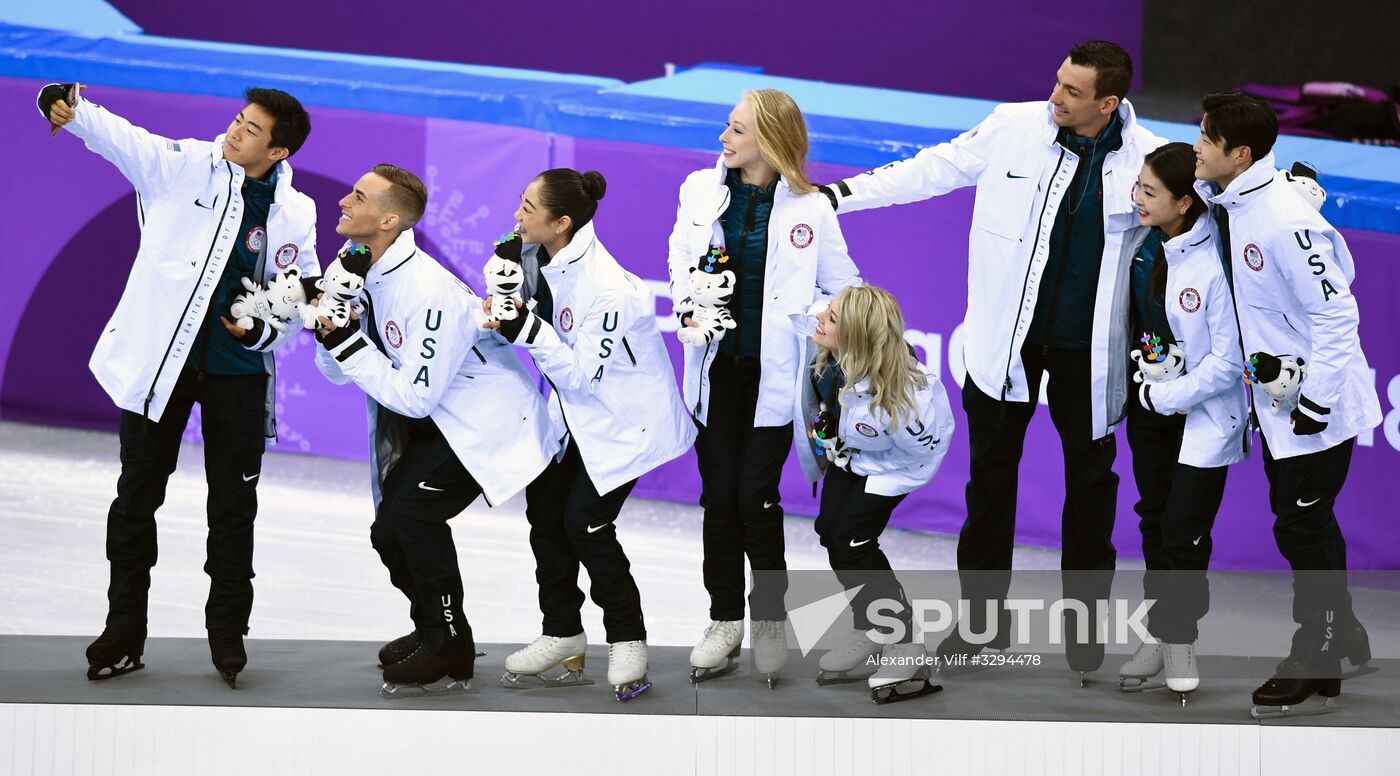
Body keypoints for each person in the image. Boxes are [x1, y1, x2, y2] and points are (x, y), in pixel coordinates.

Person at [818, 41, 1166, 677]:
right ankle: (983, 621)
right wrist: (837, 196)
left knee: (1090, 487)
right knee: (990, 484)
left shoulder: (1150, 160)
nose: (1055, 97)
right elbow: (932, 169)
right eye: (1058, 83)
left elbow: (1206, 215)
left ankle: (1085, 626)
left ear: (1108, 103)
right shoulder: (1012, 127)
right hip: (1003, 346)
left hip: (1091, 354)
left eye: (1072, 92)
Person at [40, 82, 317, 688]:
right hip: (159, 368)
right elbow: (124, 141)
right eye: (238, 119)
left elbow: (301, 291)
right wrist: (72, 107)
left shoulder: (296, 212)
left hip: (237, 375)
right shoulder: (185, 165)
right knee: (137, 496)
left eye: (252, 130)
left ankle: (226, 634)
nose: (236, 131)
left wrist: (262, 329)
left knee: (233, 508)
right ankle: (124, 630)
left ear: (279, 152)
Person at [314, 164, 559, 696]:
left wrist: (345, 343)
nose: (344, 203)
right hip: (445, 417)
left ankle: (448, 646)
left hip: (487, 419)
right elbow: (334, 370)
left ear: (389, 220)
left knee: (413, 515)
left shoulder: (423, 290)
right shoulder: (357, 269)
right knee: (388, 529)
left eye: (358, 196)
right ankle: (437, 630)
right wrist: (333, 328)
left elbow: (413, 397)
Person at [666, 88, 862, 686]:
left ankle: (769, 620)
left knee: (757, 500)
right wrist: (687, 305)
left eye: (736, 130)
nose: (724, 139)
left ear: (771, 141)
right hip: (714, 375)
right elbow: (679, 257)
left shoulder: (811, 207)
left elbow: (845, 285)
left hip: (773, 383)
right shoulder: (700, 190)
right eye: (726, 127)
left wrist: (811, 319)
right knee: (718, 500)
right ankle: (724, 621)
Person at [1193, 93, 1380, 718]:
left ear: (1239, 154)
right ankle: (1346, 636)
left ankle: (1317, 655)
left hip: (1313, 408)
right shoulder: (1244, 198)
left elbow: (1336, 313)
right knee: (1303, 520)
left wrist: (1318, 406)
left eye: (1206, 137)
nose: (1196, 145)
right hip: (1278, 402)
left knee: (1302, 525)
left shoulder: (1281, 220)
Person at [486, 168, 695, 702]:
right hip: (574, 418)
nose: (517, 216)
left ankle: (629, 640)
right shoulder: (537, 254)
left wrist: (524, 328)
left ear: (561, 222)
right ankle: (562, 632)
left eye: (528, 208)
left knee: (586, 523)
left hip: (626, 426)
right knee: (544, 512)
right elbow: (512, 294)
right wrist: (501, 305)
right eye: (520, 201)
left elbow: (580, 374)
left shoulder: (610, 290)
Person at [1112, 143, 1247, 704]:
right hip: (1151, 413)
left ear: (1185, 202)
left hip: (1202, 417)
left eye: (1149, 191)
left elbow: (1228, 362)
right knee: (1152, 521)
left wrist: (1169, 396)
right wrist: (1147, 396)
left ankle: (1180, 638)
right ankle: (1162, 636)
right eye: (1137, 186)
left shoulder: (1214, 264)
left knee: (1184, 534)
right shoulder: (1141, 245)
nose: (1136, 198)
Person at [790, 285, 954, 703]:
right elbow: (797, 314)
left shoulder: (903, 395)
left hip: (894, 468)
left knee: (853, 541)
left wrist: (874, 462)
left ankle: (905, 646)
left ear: (857, 336)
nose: (820, 320)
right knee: (830, 532)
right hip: (852, 457)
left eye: (830, 318)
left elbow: (925, 448)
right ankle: (872, 625)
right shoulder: (832, 351)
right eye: (825, 311)